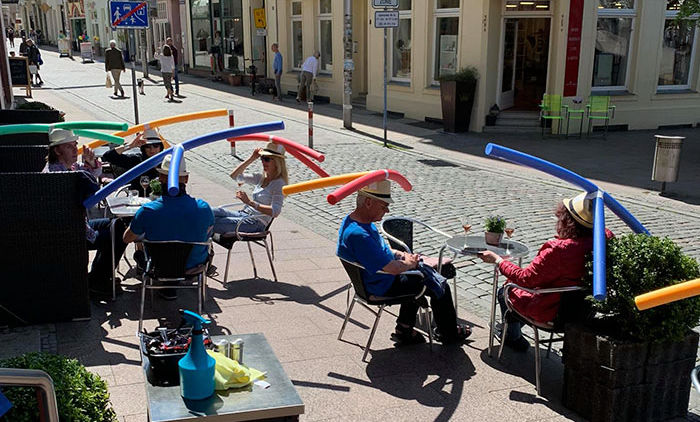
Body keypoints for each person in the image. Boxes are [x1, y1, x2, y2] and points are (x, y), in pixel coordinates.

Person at [337, 181, 471, 345]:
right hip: (381, 285)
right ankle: (448, 332)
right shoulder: (359, 235)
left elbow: (380, 251)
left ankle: (405, 327)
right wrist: (411, 264)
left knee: (427, 274)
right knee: (438, 282)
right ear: (369, 202)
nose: (387, 210)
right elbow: (393, 269)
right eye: (384, 206)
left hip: (373, 280)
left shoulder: (354, 222)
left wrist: (400, 254)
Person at [478, 192, 614, 352]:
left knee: (505, 291)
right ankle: (511, 330)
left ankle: (512, 337)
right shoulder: (604, 238)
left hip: (551, 311)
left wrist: (498, 260)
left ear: (566, 220)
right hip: (582, 312)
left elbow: (525, 279)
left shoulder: (559, 250)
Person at [42, 129, 128, 300]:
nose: (75, 150)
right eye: (69, 147)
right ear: (57, 150)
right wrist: (90, 173)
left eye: (75, 145)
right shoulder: (56, 176)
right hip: (73, 233)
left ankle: (98, 276)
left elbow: (91, 173)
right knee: (120, 234)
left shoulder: (67, 167)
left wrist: (90, 162)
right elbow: (89, 187)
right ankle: (98, 280)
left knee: (118, 225)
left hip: (81, 225)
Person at [123, 153, 214, 300]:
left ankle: (165, 287)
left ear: (160, 179)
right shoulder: (204, 208)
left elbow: (126, 238)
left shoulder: (148, 211)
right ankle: (171, 288)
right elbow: (209, 230)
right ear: (186, 179)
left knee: (139, 250)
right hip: (194, 266)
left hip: (159, 266)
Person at [211, 142, 287, 236]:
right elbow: (235, 176)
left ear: (277, 162)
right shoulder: (261, 177)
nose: (263, 162)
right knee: (210, 212)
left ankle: (200, 248)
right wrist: (252, 158)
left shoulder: (279, 183)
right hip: (244, 214)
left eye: (266, 159)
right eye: (262, 158)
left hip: (255, 223)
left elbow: (275, 212)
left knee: (211, 223)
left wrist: (250, 203)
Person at [101, 128, 165, 195]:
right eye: (148, 146)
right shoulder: (137, 160)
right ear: (144, 148)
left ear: (160, 147)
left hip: (162, 199)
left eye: (156, 146)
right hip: (139, 200)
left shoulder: (166, 161)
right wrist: (130, 146)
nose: (152, 149)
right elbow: (108, 156)